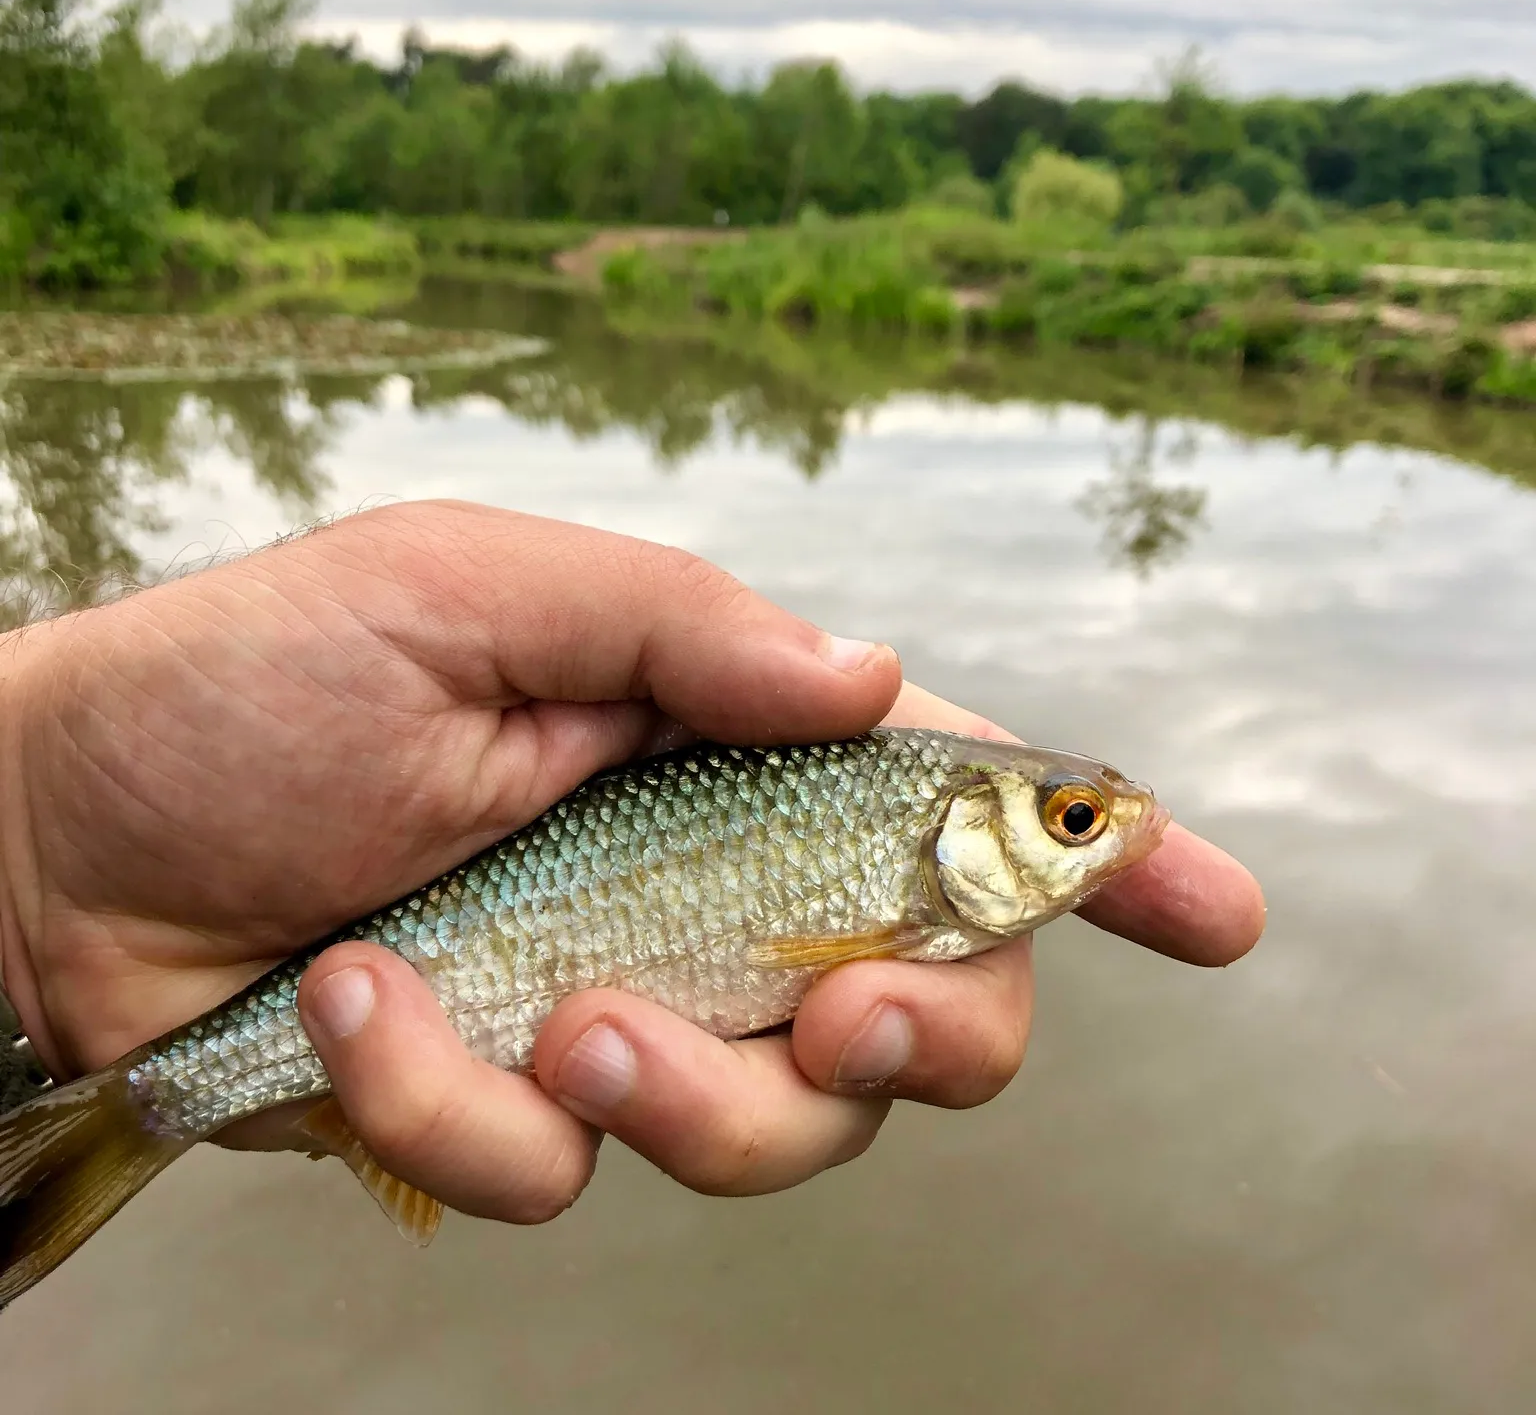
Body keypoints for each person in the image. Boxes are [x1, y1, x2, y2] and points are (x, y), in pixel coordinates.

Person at [0, 501, 1264, 1228]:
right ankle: (131, 1105)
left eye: (1075, 821)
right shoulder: (893, 811)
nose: (1094, 833)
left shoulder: (903, 820)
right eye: (1073, 823)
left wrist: (30, 850)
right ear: (965, 828)